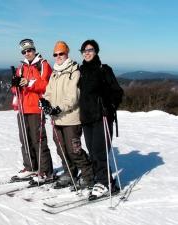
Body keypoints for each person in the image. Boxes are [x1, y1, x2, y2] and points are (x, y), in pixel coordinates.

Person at [40, 41, 93, 189]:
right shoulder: (55, 73)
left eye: (61, 53)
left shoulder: (74, 71)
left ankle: (89, 175)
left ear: (67, 53)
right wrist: (46, 103)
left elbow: (73, 97)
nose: (58, 56)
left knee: (74, 150)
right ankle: (70, 173)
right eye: (55, 54)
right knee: (61, 150)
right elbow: (49, 92)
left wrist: (58, 108)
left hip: (71, 119)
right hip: (57, 119)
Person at [78, 40, 123, 199]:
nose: (87, 52)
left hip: (101, 116)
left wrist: (109, 106)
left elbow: (117, 92)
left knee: (100, 150)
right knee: (92, 151)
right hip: (86, 117)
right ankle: (103, 180)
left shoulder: (104, 69)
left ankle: (105, 183)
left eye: (90, 50)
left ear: (96, 51)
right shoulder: (81, 70)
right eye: (84, 50)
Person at [11, 38, 53, 182]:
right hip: (22, 108)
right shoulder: (21, 68)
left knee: (38, 141)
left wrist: (28, 83)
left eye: (29, 50)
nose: (27, 53)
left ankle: (45, 171)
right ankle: (30, 167)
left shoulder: (43, 65)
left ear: (34, 50)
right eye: (24, 51)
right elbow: (14, 89)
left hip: (36, 108)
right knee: (25, 140)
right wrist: (15, 84)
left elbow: (46, 85)